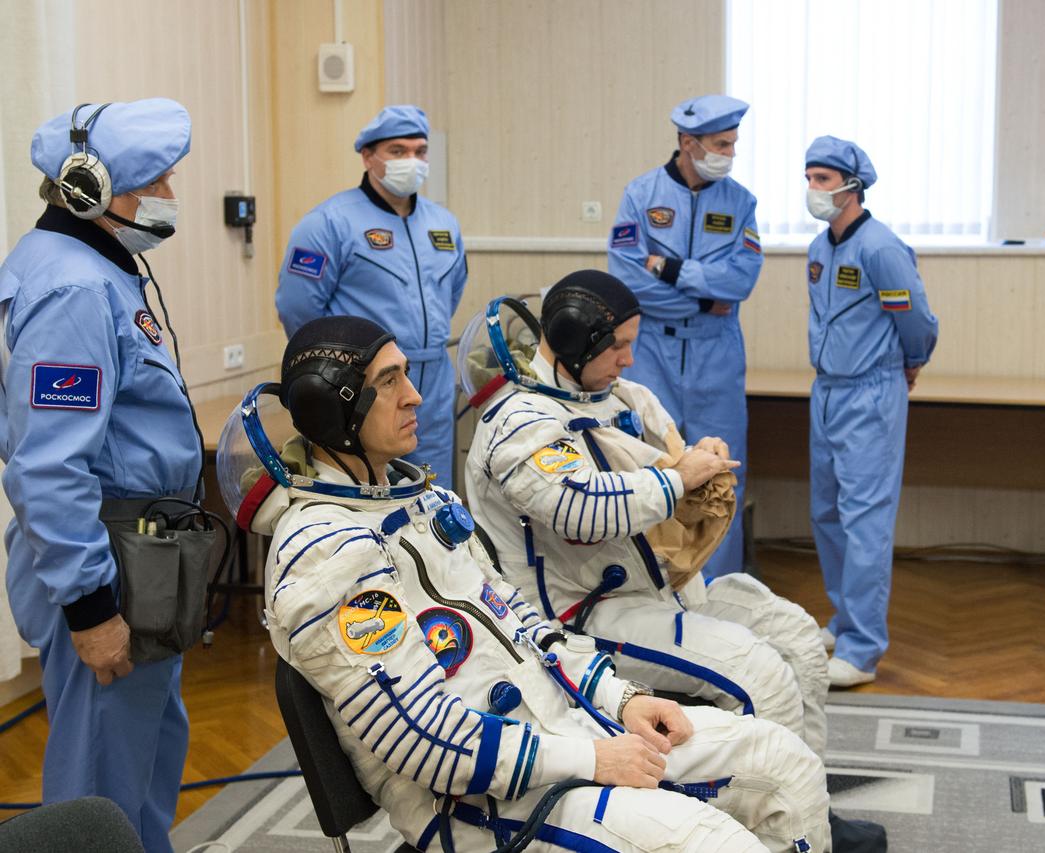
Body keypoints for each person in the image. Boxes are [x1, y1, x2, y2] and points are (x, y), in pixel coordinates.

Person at [226, 315, 832, 852]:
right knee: (714, 843)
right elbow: (420, 741)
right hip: (478, 803)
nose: (415, 396)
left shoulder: (423, 503)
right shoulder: (324, 555)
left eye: (406, 375)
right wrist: (594, 758)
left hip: (561, 730)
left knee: (784, 763)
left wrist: (622, 701)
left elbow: (526, 628)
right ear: (335, 409)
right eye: (388, 383)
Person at [463, 270, 831, 758]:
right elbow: (581, 508)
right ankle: (774, 826)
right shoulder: (520, 422)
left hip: (648, 592)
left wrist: (699, 460)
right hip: (576, 617)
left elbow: (655, 465)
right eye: (618, 345)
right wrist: (679, 480)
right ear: (575, 339)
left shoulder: (619, 399)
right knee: (757, 674)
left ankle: (807, 808)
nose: (629, 358)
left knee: (797, 638)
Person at [0, 99, 200, 852]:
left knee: (146, 755)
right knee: (100, 783)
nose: (168, 196)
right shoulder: (73, 291)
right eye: (156, 181)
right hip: (105, 558)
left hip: (139, 544)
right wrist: (90, 609)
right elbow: (49, 465)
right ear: (87, 187)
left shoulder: (96, 269)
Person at [607, 95, 763, 580]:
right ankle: (655, 583)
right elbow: (629, 281)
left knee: (719, 470)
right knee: (653, 462)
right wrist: (700, 295)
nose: (729, 154)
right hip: (651, 347)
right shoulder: (641, 194)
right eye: (721, 144)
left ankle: (720, 594)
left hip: (716, 351)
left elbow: (741, 282)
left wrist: (671, 269)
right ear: (687, 143)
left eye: (734, 143)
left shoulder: (740, 202)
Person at [803, 136, 938, 689]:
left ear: (852, 186)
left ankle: (862, 648)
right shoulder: (818, 249)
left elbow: (919, 320)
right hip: (827, 390)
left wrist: (911, 363)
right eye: (809, 177)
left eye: (824, 179)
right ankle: (843, 619)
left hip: (871, 391)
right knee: (828, 512)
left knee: (865, 522)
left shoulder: (881, 249)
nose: (813, 189)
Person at [275, 105, 466, 487]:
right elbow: (299, 309)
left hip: (434, 375)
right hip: (367, 383)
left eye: (419, 151)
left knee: (433, 487)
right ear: (368, 156)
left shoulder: (443, 223)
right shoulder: (329, 222)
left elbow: (453, 290)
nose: (411, 160)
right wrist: (343, 368)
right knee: (367, 483)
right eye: (397, 151)